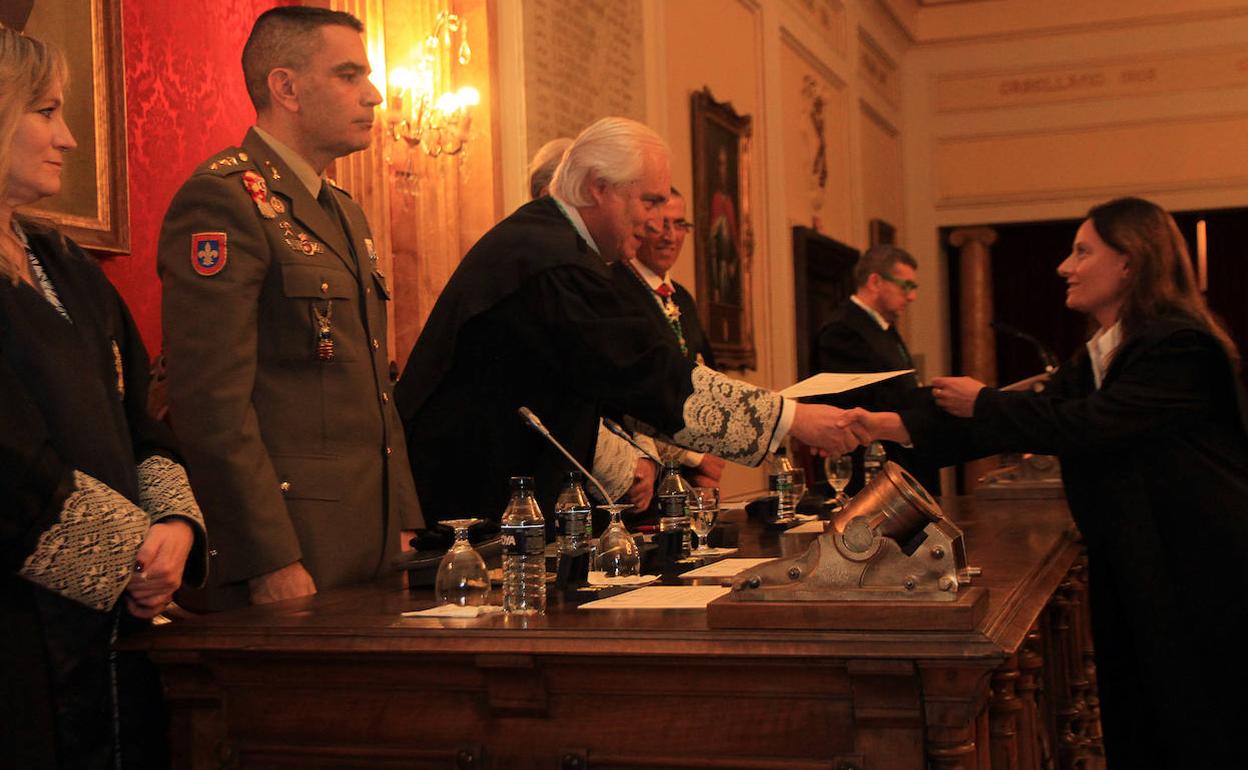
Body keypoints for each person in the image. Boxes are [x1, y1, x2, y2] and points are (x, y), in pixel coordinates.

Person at [851, 197, 1248, 769]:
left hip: (1199, 568)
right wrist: (884, 426)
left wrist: (983, 400)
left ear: (1131, 262)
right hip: (1139, 556)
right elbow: (1006, 422)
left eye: (1083, 251)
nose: (1065, 266)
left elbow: (1085, 426)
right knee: (1140, 713)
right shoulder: (1099, 355)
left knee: (1198, 718)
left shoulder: (1181, 346)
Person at [397, 116, 858, 524]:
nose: (658, 224)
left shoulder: (555, 245)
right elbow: (644, 375)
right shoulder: (553, 261)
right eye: (650, 202)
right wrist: (791, 420)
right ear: (599, 187)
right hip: (476, 510)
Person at [157, 7, 421, 611]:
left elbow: (377, 387)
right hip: (291, 542)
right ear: (286, 87)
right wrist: (268, 556)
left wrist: (403, 519)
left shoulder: (344, 211)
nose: (374, 95)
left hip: (368, 534)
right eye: (349, 76)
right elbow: (210, 404)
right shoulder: (225, 201)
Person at [0, 28, 206, 768]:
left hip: (117, 621)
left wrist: (175, 527)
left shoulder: (68, 264)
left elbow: (138, 423)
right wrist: (131, 555)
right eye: (47, 113)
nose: (70, 138)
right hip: (22, 633)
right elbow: (9, 460)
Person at [612, 188, 725, 489]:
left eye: (679, 225)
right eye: (662, 225)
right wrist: (694, 459)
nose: (670, 236)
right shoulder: (618, 288)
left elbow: (705, 376)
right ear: (642, 226)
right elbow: (632, 393)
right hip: (642, 475)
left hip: (691, 477)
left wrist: (711, 448)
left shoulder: (682, 297)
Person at [814, 244, 937, 494]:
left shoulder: (882, 326)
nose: (911, 296)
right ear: (875, 281)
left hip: (897, 458)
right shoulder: (843, 329)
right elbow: (854, 400)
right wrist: (926, 400)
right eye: (906, 286)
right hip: (869, 468)